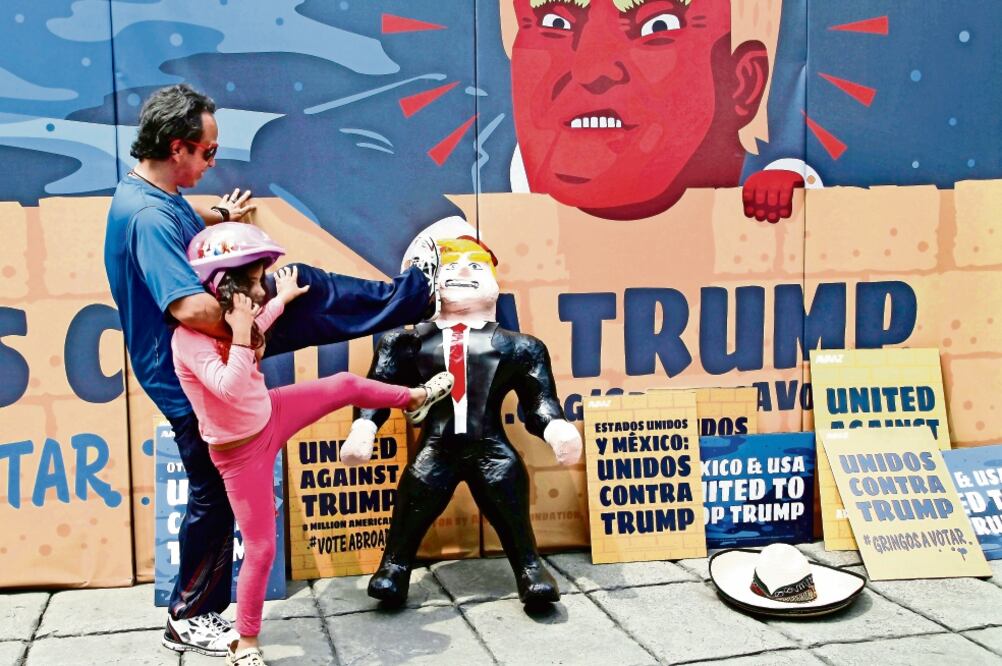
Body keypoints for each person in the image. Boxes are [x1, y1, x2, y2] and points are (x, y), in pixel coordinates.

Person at [104, 83, 440, 657]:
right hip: (197, 364)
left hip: (203, 354)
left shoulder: (153, 195)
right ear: (178, 147)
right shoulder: (148, 218)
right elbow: (189, 307)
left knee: (303, 290)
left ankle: (195, 613)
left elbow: (183, 219)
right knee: (214, 490)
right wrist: (254, 324)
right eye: (207, 153)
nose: (213, 162)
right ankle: (191, 616)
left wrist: (222, 218)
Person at [173, 223, 453, 666]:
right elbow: (227, 388)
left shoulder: (235, 323)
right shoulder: (188, 340)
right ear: (225, 286)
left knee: (342, 384)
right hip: (241, 454)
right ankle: (246, 642)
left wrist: (280, 301)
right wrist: (243, 332)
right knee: (262, 547)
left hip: (271, 412)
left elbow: (258, 333)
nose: (260, 289)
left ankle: (414, 399)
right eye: (254, 282)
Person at [340, 237, 583, 608]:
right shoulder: (404, 343)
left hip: (491, 446)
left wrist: (555, 427)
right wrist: (364, 427)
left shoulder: (522, 346)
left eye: (477, 266)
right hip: (435, 448)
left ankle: (530, 568)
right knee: (413, 499)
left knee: (511, 502)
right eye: (451, 267)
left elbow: (539, 400)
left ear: (495, 285)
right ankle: (394, 567)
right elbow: (377, 389)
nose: (465, 272)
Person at [502, 0, 810, 221]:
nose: (589, 68)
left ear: (742, 82)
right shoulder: (492, 207)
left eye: (658, 25)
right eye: (555, 23)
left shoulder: (767, 178)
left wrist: (786, 189)